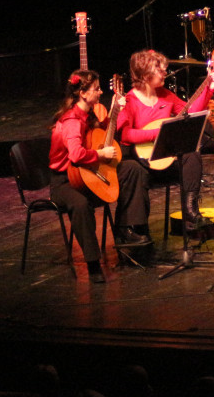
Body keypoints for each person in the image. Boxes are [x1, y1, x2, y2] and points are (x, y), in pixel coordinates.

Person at [49, 69, 148, 283]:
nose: (100, 91)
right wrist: (100, 154)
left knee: (133, 168)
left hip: (90, 173)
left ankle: (128, 228)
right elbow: (75, 155)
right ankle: (93, 263)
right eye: (96, 89)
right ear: (83, 93)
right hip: (66, 181)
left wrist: (116, 111)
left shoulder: (91, 113)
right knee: (80, 204)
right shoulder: (71, 120)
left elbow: (103, 133)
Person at [116, 49, 214, 239]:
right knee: (135, 173)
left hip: (167, 159)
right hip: (144, 162)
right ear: (145, 75)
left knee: (191, 152)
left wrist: (209, 88)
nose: (165, 73)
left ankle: (190, 211)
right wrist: (158, 133)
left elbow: (190, 112)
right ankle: (135, 230)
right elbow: (125, 134)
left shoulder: (165, 95)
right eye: (160, 70)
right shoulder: (129, 100)